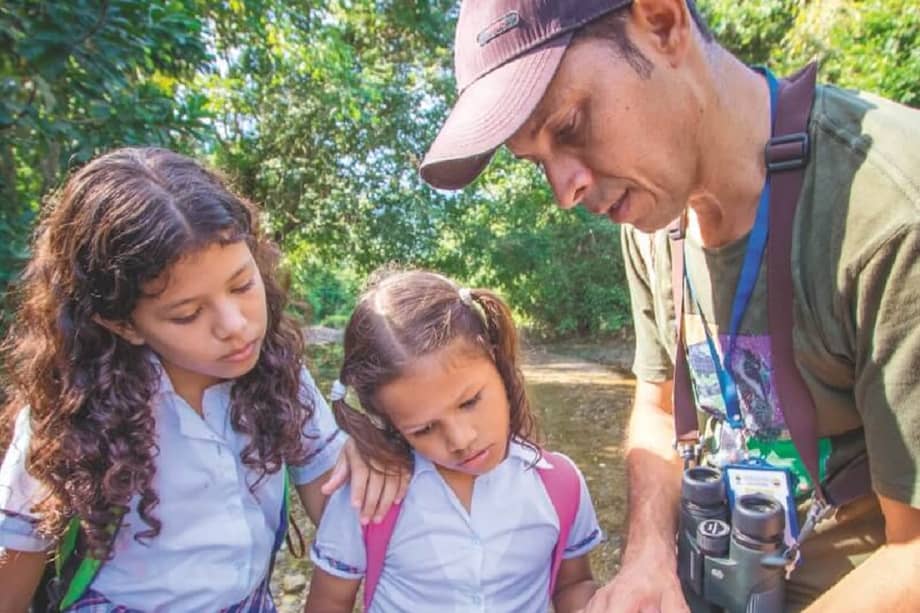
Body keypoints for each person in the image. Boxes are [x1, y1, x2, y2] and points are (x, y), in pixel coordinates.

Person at [418, 0, 920, 611]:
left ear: (661, 23)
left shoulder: (888, 213)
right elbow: (657, 405)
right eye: (537, 164)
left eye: (571, 126)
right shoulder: (653, 221)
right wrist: (647, 556)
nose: (564, 190)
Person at [0, 147, 404, 612]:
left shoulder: (280, 379)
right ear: (122, 324)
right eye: (187, 313)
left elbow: (345, 515)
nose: (234, 325)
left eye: (242, 285)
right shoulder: (70, 419)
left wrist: (381, 459)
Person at [304, 269, 603, 612]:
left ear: (496, 358)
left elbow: (573, 584)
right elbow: (328, 604)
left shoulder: (559, 484)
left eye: (470, 401)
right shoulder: (368, 499)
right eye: (424, 429)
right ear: (389, 422)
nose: (461, 440)